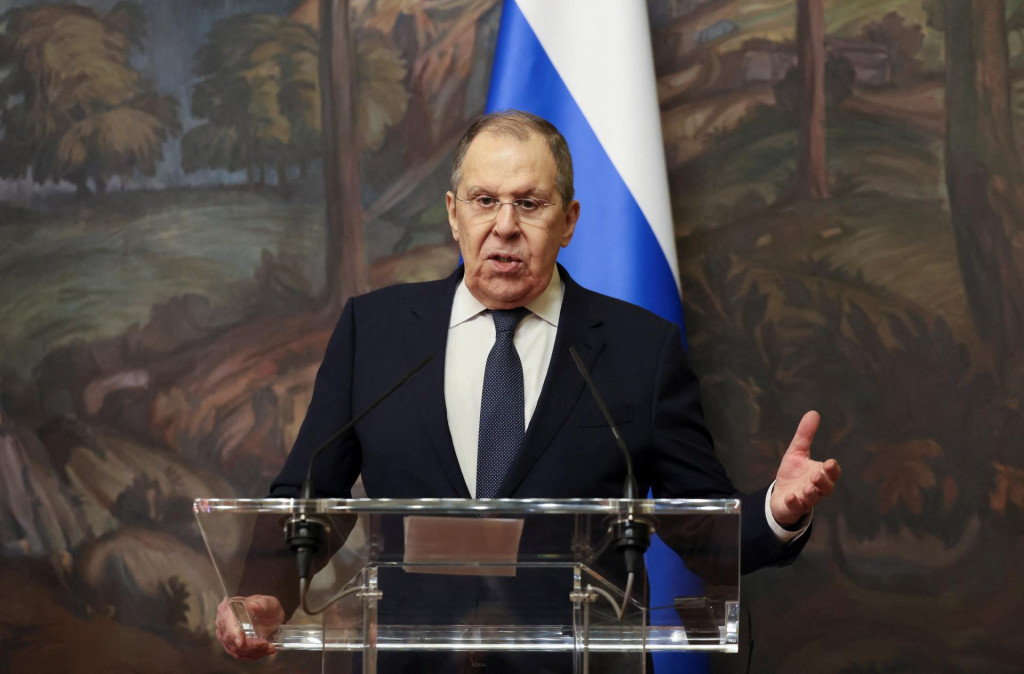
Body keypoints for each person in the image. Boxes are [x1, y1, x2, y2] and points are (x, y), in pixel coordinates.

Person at [215, 110, 841, 665]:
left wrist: (776, 513)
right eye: (484, 200)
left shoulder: (637, 349)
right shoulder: (373, 333)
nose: (505, 225)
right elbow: (306, 495)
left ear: (568, 221)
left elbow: (700, 531)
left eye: (530, 203)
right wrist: (263, 594)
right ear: (452, 214)